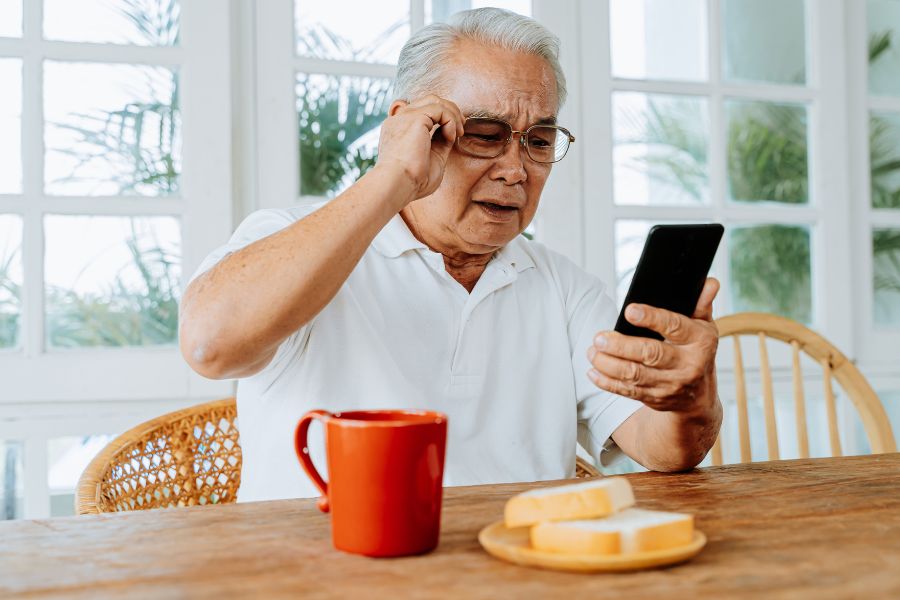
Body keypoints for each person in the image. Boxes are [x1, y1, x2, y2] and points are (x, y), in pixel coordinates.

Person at [179, 8, 722, 502]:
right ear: (408, 129)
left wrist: (689, 398)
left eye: (538, 140)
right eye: (484, 134)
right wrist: (394, 176)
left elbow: (664, 448)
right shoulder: (298, 240)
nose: (515, 169)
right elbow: (209, 346)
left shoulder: (563, 287)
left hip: (515, 572)